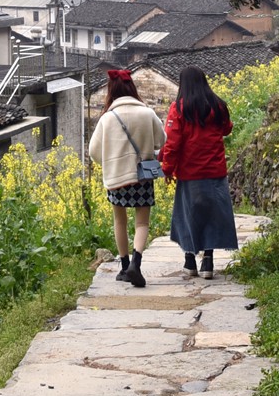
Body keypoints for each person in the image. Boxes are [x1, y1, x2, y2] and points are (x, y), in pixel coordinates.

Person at [87, 68, 164, 287]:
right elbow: (162, 141)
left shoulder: (107, 118)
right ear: (132, 89)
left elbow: (93, 151)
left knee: (119, 220)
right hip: (142, 176)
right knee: (142, 222)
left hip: (117, 178)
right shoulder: (147, 113)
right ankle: (136, 265)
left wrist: (111, 162)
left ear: (111, 91)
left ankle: (123, 266)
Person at [161, 65, 238, 279]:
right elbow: (227, 129)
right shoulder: (218, 105)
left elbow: (172, 143)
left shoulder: (179, 108)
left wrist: (167, 169)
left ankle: (189, 261)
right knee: (211, 215)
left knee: (187, 215)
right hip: (215, 172)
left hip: (189, 173)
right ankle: (208, 263)